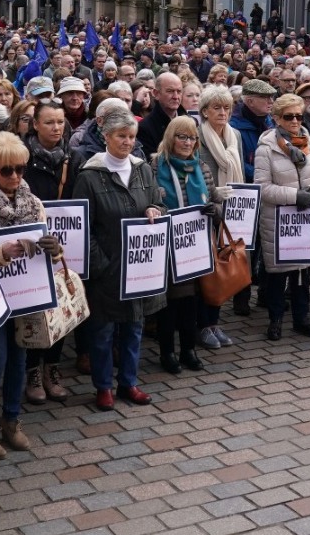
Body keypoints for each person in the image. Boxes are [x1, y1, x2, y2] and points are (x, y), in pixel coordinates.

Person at [0, 133, 64, 457]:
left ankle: (11, 421)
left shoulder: (33, 202)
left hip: (25, 297)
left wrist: (54, 249)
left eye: (20, 168)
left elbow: (49, 247)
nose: (15, 176)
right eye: (7, 170)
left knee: (20, 358)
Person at [74, 108, 165, 410]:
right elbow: (83, 226)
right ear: (107, 137)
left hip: (138, 267)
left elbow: (156, 202)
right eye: (121, 136)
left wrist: (154, 209)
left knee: (134, 327)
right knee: (102, 331)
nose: (127, 142)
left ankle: (129, 381)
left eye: (131, 137)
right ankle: (103, 386)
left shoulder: (142, 169)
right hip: (107, 267)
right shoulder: (90, 175)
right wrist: (100, 264)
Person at [255, 93, 310, 341]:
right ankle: (275, 320)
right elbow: (263, 188)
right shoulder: (266, 148)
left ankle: (302, 319)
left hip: (305, 216)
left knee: (303, 272)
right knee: (278, 274)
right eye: (289, 116)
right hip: (278, 219)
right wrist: (294, 195)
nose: (295, 121)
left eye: (299, 115)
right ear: (276, 118)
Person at [153, 115, 216, 369]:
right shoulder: (155, 166)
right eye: (182, 136)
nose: (187, 142)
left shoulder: (203, 167)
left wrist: (215, 209)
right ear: (171, 137)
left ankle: (188, 350)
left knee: (191, 301)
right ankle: (167, 352)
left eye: (192, 138)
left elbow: (213, 200)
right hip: (167, 245)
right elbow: (150, 201)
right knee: (169, 303)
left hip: (195, 246)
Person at [195, 84, 242, 347]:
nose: (222, 112)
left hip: (231, 212)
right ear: (204, 111)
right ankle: (202, 325)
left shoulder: (233, 135)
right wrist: (215, 195)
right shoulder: (198, 137)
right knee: (207, 272)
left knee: (224, 267)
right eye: (216, 107)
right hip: (207, 213)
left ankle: (215, 322)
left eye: (226, 107)